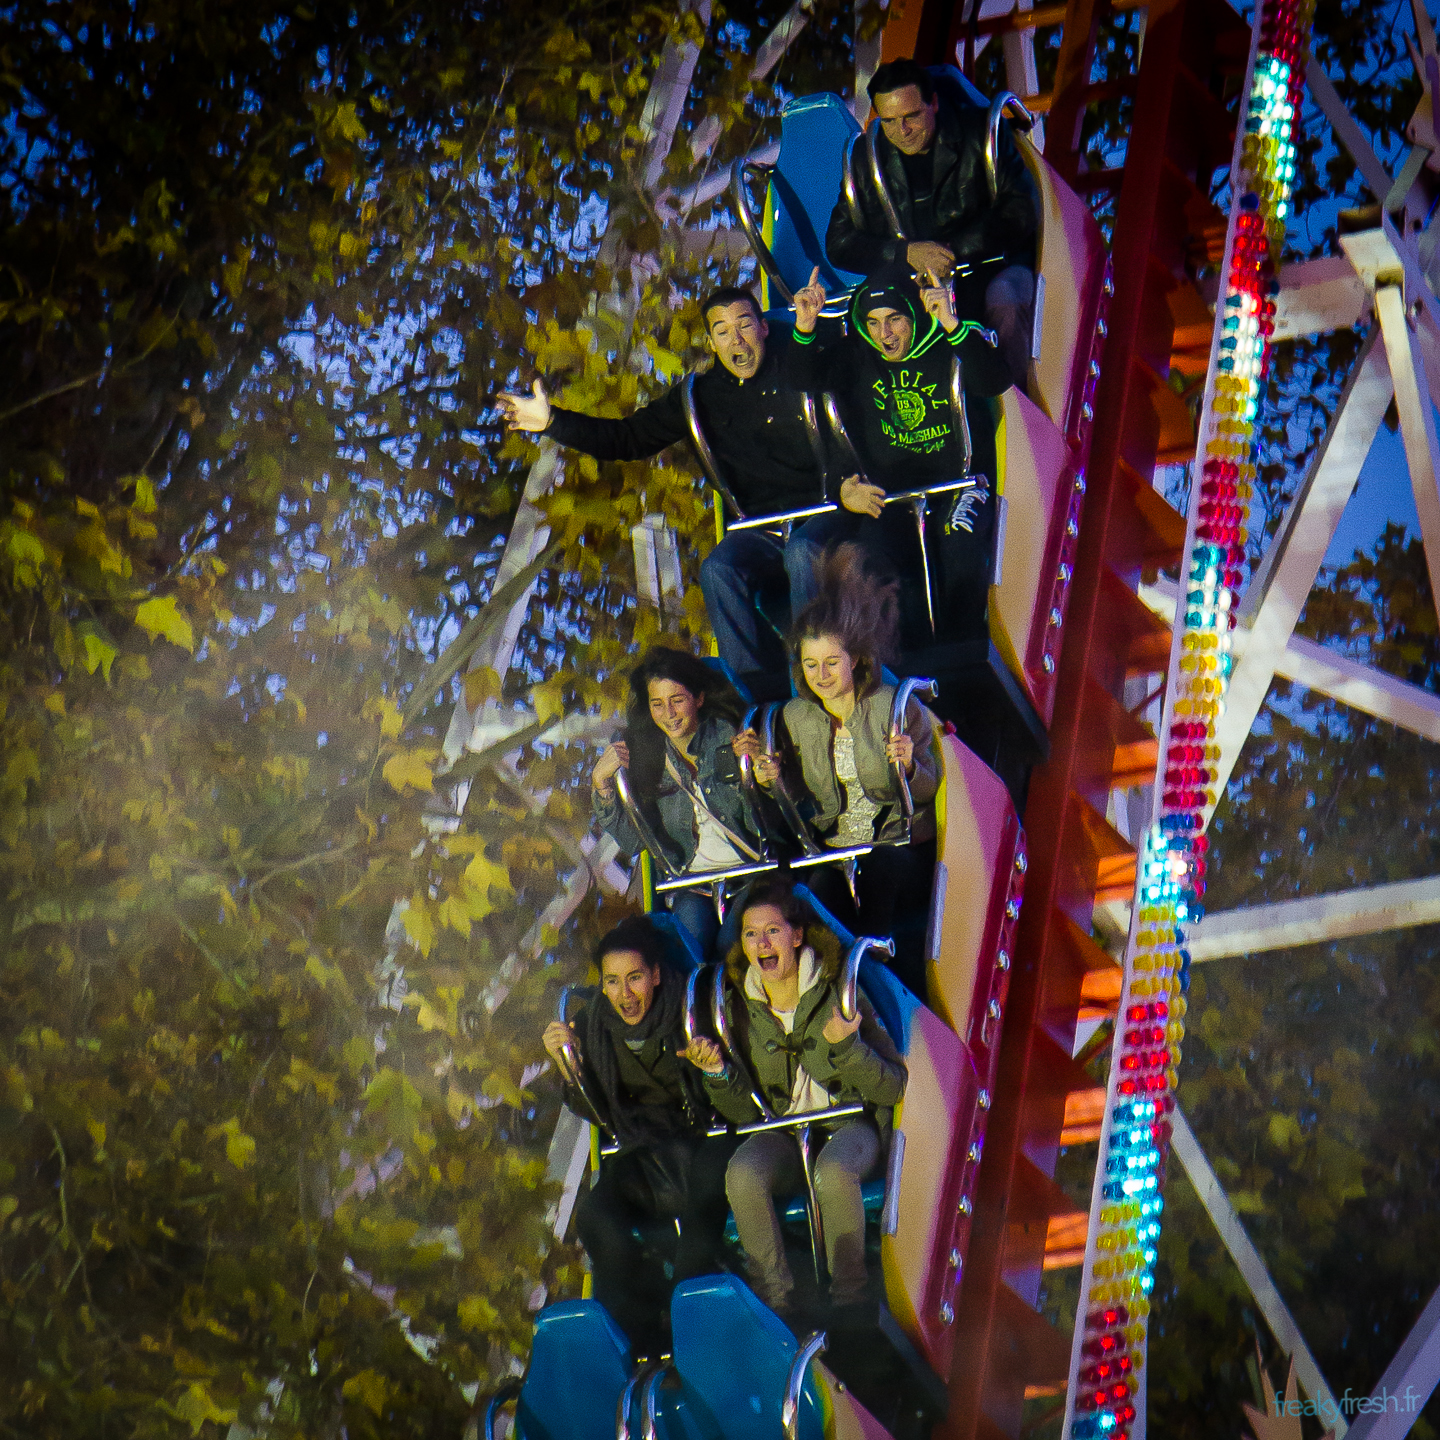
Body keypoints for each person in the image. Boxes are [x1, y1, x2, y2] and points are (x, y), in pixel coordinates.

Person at [496, 287, 883, 677]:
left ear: (764, 328)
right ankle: (753, 690)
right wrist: (553, 422)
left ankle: (814, 679)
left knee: (802, 552)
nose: (736, 340)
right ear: (712, 343)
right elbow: (627, 439)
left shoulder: (802, 364)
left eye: (745, 325)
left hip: (829, 511)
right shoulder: (700, 398)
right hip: (764, 527)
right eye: (723, 331)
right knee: (718, 568)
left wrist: (845, 486)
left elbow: (857, 420)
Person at [683, 882, 906, 1318]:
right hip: (785, 1131)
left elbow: (892, 1086)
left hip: (849, 1125)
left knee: (832, 1172)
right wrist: (718, 1073)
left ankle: (850, 1300)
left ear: (797, 935)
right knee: (743, 1173)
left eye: (773, 931)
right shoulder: (737, 1006)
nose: (762, 943)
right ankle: (776, 1304)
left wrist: (849, 1048)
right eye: (751, 934)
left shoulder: (837, 987)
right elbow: (744, 1112)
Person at [732, 547, 940, 997]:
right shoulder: (796, 718)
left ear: (856, 660)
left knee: (879, 871)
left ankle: (883, 975)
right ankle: (835, 989)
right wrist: (771, 781)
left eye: (831, 663)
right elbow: (797, 799)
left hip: (897, 840)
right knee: (816, 892)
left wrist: (909, 766)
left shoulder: (892, 707)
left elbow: (930, 789)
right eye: (811, 665)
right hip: (836, 846)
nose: (821, 675)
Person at [785, 259, 1008, 645]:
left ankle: (964, 653)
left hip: (960, 484)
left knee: (960, 542)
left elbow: (994, 380)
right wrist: (805, 326)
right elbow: (802, 376)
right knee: (868, 563)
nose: (884, 334)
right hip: (893, 495)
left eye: (894, 320)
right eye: (873, 322)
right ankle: (906, 662)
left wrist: (950, 323)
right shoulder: (859, 354)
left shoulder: (950, 339)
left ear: (914, 315)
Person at [543, 916, 735, 1356]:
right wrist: (569, 1067)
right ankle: (637, 1327)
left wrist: (709, 1066)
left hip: (705, 1137)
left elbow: (730, 1091)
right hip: (644, 1148)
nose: (624, 994)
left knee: (702, 1205)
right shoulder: (593, 1025)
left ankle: (690, 1316)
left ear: (656, 976)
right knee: (595, 1215)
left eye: (634, 978)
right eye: (612, 982)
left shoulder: (691, 1009)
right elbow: (597, 1112)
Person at [826, 58, 1040, 388]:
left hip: (991, 264)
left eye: (911, 116)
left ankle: (1014, 397)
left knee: (1005, 298)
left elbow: (1021, 212)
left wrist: (952, 250)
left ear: (934, 103)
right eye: (889, 121)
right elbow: (839, 243)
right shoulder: (866, 160)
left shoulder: (981, 133)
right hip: (916, 276)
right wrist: (906, 253)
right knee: (867, 313)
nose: (902, 131)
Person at [592, 648, 765, 954]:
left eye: (677, 700)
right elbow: (635, 841)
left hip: (750, 869)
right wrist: (602, 785)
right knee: (687, 948)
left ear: (698, 698)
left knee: (730, 945)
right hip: (691, 880)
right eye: (657, 704)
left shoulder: (730, 734)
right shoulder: (647, 758)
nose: (669, 713)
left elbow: (763, 820)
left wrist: (756, 773)